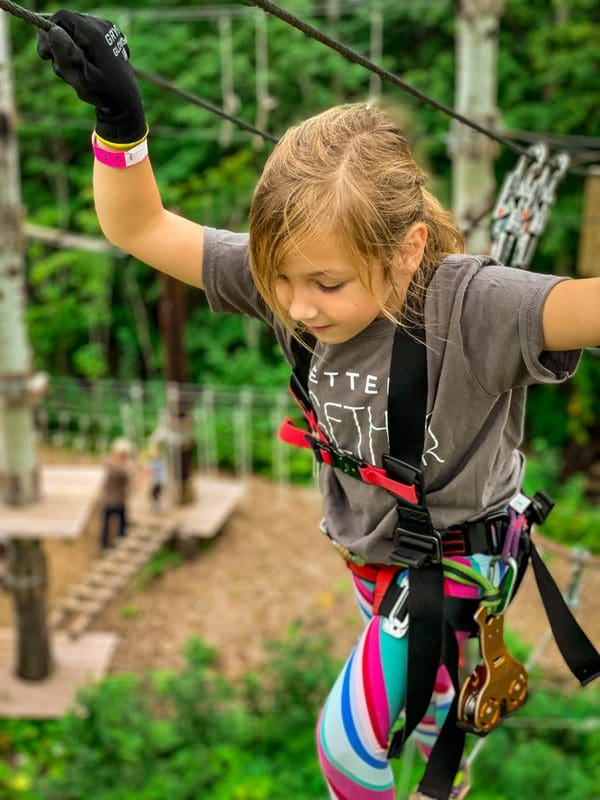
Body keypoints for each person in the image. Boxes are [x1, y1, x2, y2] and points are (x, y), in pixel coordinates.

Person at [37, 12, 599, 799]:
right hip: (375, 568)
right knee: (431, 706)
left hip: (453, 565)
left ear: (406, 251)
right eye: (281, 281)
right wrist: (119, 121)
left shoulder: (476, 309)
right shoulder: (290, 276)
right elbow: (141, 225)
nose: (298, 307)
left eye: (327, 285)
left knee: (345, 755)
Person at [100, 436, 133, 549]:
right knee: (122, 521)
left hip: (108, 499)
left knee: (106, 524)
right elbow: (127, 480)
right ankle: (121, 538)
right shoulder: (121, 469)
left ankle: (104, 544)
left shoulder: (108, 464)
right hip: (118, 499)